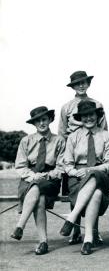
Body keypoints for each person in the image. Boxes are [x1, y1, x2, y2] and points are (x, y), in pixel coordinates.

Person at [58, 70, 108, 245]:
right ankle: (77, 230)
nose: (81, 85)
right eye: (77, 83)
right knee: (80, 185)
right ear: (72, 86)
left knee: (94, 185)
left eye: (83, 82)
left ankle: (93, 231)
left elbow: (103, 130)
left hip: (97, 162)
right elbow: (62, 133)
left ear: (88, 84)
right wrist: (69, 166)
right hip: (75, 157)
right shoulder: (66, 107)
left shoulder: (98, 104)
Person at [60, 101, 109, 255]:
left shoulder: (106, 136)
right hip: (78, 177)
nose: (88, 118)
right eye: (85, 116)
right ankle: (88, 239)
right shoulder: (73, 137)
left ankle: (71, 218)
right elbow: (68, 164)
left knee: (94, 176)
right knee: (95, 194)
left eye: (91, 115)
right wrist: (76, 172)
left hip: (100, 174)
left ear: (97, 116)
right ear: (80, 118)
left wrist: (91, 170)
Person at [11, 106, 65, 255]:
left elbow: (61, 166)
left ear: (50, 120)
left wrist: (48, 175)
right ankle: (43, 242)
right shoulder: (26, 141)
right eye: (38, 121)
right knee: (39, 199)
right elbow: (20, 166)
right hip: (30, 177)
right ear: (34, 124)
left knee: (38, 187)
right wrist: (33, 176)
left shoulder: (59, 140)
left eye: (44, 119)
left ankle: (20, 226)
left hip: (50, 178)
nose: (42, 123)